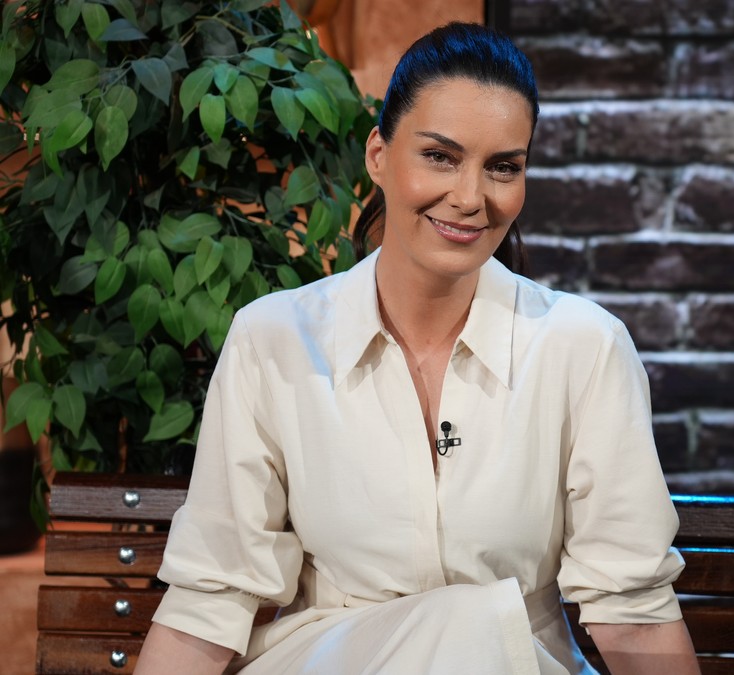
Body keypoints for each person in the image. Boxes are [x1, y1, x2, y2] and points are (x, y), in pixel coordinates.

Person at [134, 22, 700, 675]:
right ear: (379, 155)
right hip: (332, 664)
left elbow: (632, 610)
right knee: (462, 626)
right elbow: (208, 599)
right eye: (440, 156)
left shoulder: (585, 347)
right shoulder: (273, 339)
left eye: (503, 167)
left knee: (473, 630)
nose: (470, 197)